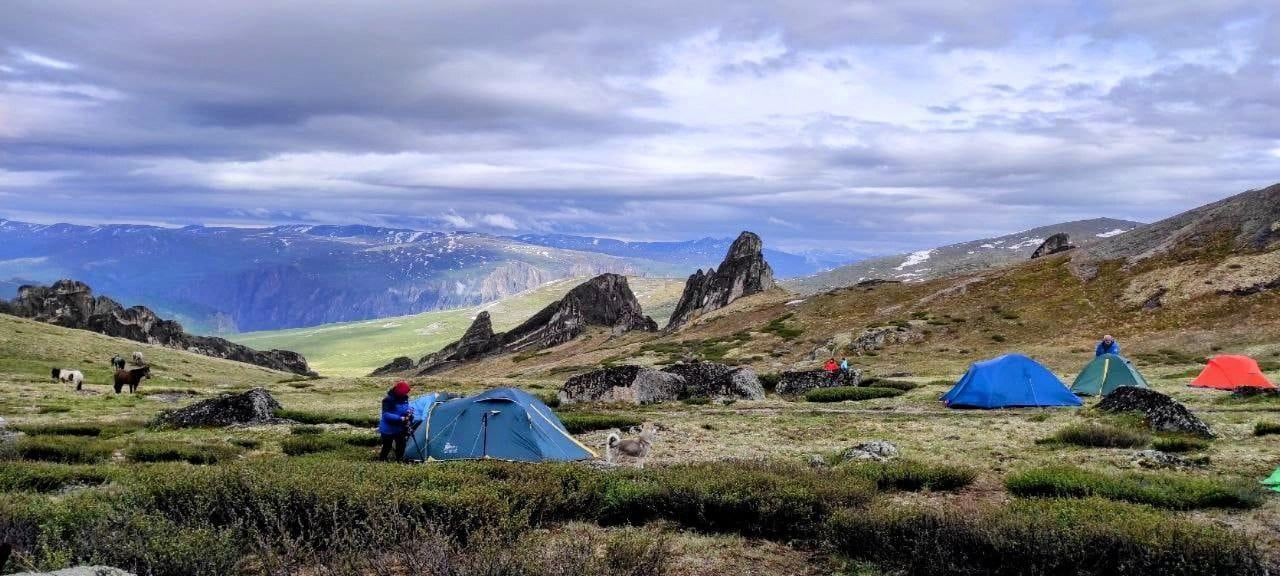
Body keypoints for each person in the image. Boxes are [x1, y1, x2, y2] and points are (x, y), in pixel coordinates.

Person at [378, 380, 414, 462]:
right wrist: (400, 418)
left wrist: (409, 411)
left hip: (400, 427)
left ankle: (399, 460)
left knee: (401, 444)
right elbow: (386, 415)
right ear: (399, 391)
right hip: (388, 429)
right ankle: (382, 460)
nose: (406, 394)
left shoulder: (404, 398)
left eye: (406, 392)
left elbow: (406, 407)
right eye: (404, 392)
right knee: (387, 446)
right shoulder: (388, 400)